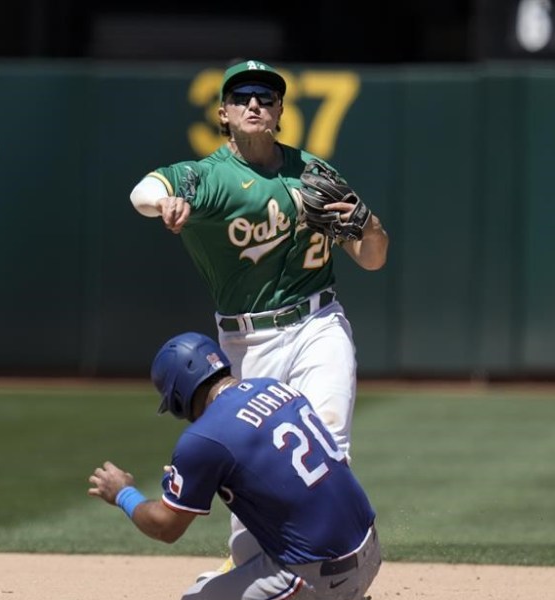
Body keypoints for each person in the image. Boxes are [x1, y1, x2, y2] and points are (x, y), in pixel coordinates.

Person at [129, 58, 389, 463]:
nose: (254, 105)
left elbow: (372, 259)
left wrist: (369, 224)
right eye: (241, 97)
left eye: (265, 97)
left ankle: (351, 528)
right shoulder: (207, 177)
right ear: (224, 113)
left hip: (318, 326)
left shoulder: (311, 172)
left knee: (329, 449)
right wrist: (163, 201)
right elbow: (142, 191)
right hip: (247, 343)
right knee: (255, 468)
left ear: (280, 111)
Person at [87, 332, 383, 600]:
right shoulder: (272, 387)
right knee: (244, 545)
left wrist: (123, 493)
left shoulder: (203, 439)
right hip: (371, 552)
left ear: (178, 398)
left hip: (322, 582)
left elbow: (166, 527)